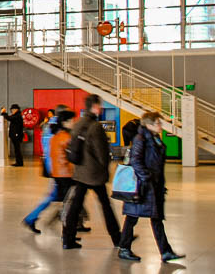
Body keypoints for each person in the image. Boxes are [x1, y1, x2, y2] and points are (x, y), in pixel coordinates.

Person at [117, 112, 184, 262]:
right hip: (144, 186)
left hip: (154, 185)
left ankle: (165, 251)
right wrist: (146, 177)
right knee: (133, 217)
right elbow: (136, 161)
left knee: (155, 217)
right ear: (148, 124)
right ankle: (124, 248)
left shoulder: (154, 138)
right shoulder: (141, 139)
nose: (160, 125)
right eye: (157, 123)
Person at [62, 94, 121, 250]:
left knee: (75, 206)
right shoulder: (96, 126)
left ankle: (68, 239)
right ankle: (117, 238)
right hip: (94, 174)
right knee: (106, 206)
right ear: (95, 106)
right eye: (99, 105)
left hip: (80, 171)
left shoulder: (78, 124)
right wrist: (106, 170)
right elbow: (102, 154)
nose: (101, 108)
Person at [23, 109, 76, 233]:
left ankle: (33, 218)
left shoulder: (50, 129)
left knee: (55, 198)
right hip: (59, 172)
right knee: (62, 199)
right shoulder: (61, 135)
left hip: (54, 170)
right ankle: (63, 227)